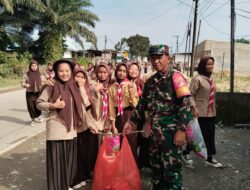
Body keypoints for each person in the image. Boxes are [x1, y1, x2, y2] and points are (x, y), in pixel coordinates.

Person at [124, 44, 192, 190]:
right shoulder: (150, 81)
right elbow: (142, 104)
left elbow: (186, 105)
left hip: (171, 134)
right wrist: (131, 121)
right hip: (155, 134)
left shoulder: (176, 77)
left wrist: (181, 130)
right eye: (153, 58)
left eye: (159, 57)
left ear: (168, 58)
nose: (156, 61)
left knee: (172, 171)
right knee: (156, 169)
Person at [37, 59, 84, 190]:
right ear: (56, 72)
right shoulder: (51, 85)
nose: (64, 73)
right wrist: (53, 105)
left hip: (71, 130)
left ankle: (66, 185)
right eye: (61, 71)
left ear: (71, 72)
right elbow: (39, 103)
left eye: (67, 71)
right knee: (57, 163)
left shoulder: (73, 85)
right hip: (56, 130)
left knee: (68, 162)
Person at [189, 56, 223, 168]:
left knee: (210, 135)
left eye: (212, 64)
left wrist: (214, 103)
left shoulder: (211, 78)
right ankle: (185, 153)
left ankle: (209, 157)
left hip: (211, 112)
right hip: (200, 112)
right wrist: (193, 107)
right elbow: (190, 95)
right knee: (198, 136)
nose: (210, 66)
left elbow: (212, 93)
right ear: (203, 65)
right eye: (208, 64)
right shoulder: (197, 79)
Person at [72, 66, 99, 189]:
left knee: (89, 152)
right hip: (76, 128)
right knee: (78, 153)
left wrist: (82, 87)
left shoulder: (88, 89)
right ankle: (79, 176)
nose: (80, 79)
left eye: (82, 77)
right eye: (77, 76)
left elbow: (87, 104)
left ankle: (87, 174)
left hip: (89, 125)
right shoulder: (70, 90)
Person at [108, 62, 139, 165]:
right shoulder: (112, 87)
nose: (121, 73)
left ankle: (132, 168)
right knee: (117, 143)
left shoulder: (131, 85)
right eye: (119, 71)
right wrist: (113, 126)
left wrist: (131, 92)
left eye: (124, 71)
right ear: (116, 72)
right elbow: (111, 108)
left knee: (131, 143)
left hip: (129, 115)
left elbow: (135, 105)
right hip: (117, 117)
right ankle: (118, 167)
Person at [21, 60, 46, 126]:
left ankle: (39, 115)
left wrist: (43, 84)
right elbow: (23, 82)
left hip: (38, 93)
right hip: (29, 93)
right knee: (30, 106)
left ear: (37, 67)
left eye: (35, 66)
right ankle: (33, 120)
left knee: (37, 105)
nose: (34, 67)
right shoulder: (26, 75)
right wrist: (25, 85)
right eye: (32, 66)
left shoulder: (40, 75)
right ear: (30, 66)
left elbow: (44, 82)